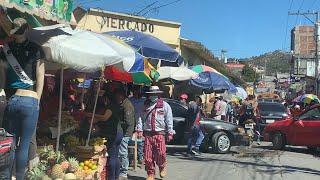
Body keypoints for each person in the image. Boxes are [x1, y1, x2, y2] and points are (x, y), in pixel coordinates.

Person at [1, 18, 45, 180]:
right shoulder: (36, 49)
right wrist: (37, 100)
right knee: (24, 144)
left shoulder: (5, 49)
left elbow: (2, 77)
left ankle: (6, 177)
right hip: (29, 99)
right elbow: (41, 77)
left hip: (11, 100)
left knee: (10, 142)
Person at [137, 86, 175, 180]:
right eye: (151, 94)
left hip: (160, 133)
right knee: (147, 156)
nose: (153, 96)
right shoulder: (144, 105)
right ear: (148, 95)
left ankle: (162, 167)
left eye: (155, 94)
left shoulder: (165, 105)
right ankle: (150, 174)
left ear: (158, 94)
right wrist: (139, 130)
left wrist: (170, 132)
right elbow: (139, 118)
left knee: (161, 153)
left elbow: (169, 119)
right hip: (148, 134)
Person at [86, 91, 123, 180]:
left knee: (111, 157)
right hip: (119, 132)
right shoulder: (118, 106)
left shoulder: (110, 107)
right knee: (115, 156)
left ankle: (112, 178)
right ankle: (116, 176)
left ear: (106, 98)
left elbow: (105, 117)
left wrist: (92, 115)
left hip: (112, 133)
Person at [118, 89, 135, 180]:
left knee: (123, 152)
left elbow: (128, 121)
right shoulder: (125, 104)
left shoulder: (126, 105)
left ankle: (124, 172)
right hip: (126, 131)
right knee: (122, 151)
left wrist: (118, 123)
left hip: (126, 132)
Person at [129, 86, 146, 165]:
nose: (136, 92)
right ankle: (131, 158)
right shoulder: (130, 100)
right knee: (131, 141)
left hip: (141, 123)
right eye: (135, 90)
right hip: (132, 123)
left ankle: (140, 157)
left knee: (140, 142)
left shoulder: (144, 100)